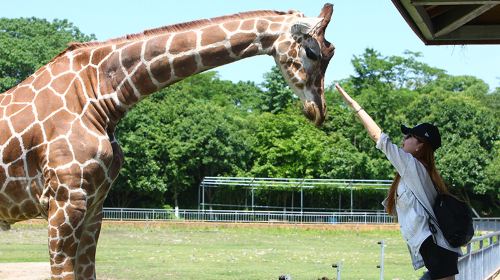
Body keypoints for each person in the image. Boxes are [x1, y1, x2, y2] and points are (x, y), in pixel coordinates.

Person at [334, 84, 462, 280]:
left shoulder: (413, 167)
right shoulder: (418, 171)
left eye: (410, 136)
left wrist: (354, 105)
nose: (404, 138)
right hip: (438, 252)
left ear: (420, 145)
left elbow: (380, 139)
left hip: (438, 251)